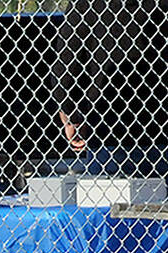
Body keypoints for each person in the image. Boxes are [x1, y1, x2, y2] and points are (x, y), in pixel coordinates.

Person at [52, 0, 168, 178]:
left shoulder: (87, 4)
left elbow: (66, 63)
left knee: (107, 196)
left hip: (106, 121)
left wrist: (71, 116)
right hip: (158, 118)